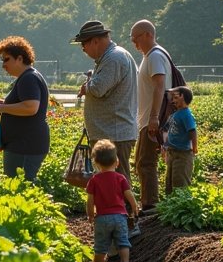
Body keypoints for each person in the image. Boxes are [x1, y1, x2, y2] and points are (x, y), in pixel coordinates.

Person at [71, 20, 138, 185]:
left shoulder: (114, 58)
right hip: (110, 132)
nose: (83, 49)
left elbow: (98, 88)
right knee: (110, 181)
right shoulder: (111, 57)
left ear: (95, 41)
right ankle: (115, 210)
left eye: (83, 44)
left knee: (116, 182)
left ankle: (124, 211)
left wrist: (87, 87)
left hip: (114, 133)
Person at [0, 36, 50, 181]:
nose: (3, 65)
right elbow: (21, 104)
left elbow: (30, 107)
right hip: (23, 144)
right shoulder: (27, 77)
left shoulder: (28, 78)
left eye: (6, 59)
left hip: (25, 146)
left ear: (19, 58)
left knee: (19, 188)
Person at [130, 19, 174, 212]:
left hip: (152, 119)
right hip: (148, 119)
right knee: (143, 161)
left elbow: (159, 85)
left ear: (148, 34)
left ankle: (150, 205)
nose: (135, 44)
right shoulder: (152, 55)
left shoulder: (154, 56)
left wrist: (154, 117)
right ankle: (151, 202)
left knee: (145, 162)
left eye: (136, 38)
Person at [86, 139, 139, 262]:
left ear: (96, 163)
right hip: (120, 217)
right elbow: (129, 195)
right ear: (117, 161)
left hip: (102, 218)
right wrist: (135, 207)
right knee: (123, 241)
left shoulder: (94, 180)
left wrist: (90, 214)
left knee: (101, 244)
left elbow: (90, 201)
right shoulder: (120, 178)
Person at [164, 86, 198, 195]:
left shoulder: (186, 115)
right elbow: (167, 130)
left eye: (175, 97)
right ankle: (170, 205)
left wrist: (194, 147)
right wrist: (165, 146)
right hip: (172, 152)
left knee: (180, 182)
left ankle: (181, 206)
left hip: (182, 154)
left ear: (182, 97)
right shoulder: (175, 114)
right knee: (169, 181)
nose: (172, 100)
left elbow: (192, 131)